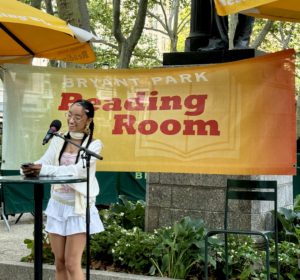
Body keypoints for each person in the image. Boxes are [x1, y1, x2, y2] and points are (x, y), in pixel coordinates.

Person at [21, 99, 104, 280]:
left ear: (88, 120)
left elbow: (76, 171)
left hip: (78, 208)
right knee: (59, 262)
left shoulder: (93, 145)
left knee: (72, 263)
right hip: (57, 205)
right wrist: (29, 167)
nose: (71, 120)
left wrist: (43, 169)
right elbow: (45, 161)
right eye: (69, 115)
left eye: (77, 117)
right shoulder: (59, 139)